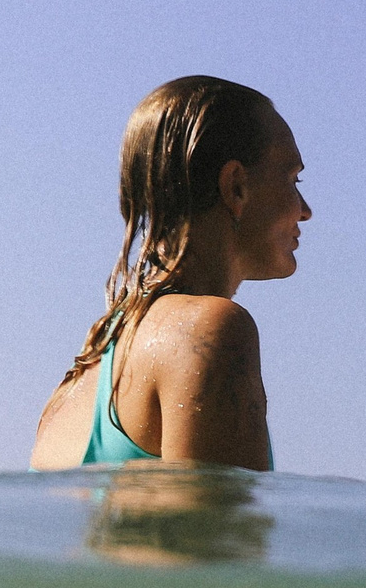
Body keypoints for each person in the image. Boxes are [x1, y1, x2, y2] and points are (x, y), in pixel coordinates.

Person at [31, 76, 311, 472]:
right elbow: (219, 535)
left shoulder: (82, 375)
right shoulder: (210, 331)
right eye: (293, 180)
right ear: (236, 187)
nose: (305, 209)